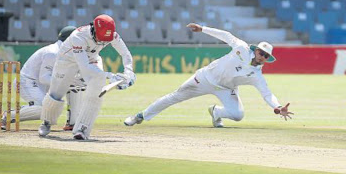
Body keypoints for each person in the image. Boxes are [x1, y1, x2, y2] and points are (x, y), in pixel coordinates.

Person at [124, 23, 293, 128]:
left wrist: (277, 108)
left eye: (265, 55)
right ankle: (139, 116)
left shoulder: (257, 75)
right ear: (255, 50)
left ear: (267, 59)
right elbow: (225, 35)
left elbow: (266, 93)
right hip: (205, 78)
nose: (262, 56)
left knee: (238, 115)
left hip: (226, 89)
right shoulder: (242, 48)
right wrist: (203, 29)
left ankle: (216, 113)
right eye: (260, 52)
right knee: (174, 97)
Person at [38, 14, 136, 140]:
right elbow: (84, 67)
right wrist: (109, 76)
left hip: (92, 59)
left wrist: (129, 72)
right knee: (56, 92)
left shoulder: (112, 35)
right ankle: (46, 121)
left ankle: (82, 128)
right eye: (100, 39)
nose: (103, 42)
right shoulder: (78, 36)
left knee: (96, 91)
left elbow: (125, 54)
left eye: (106, 40)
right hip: (67, 61)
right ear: (94, 29)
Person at [0, 25, 79, 130]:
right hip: (26, 82)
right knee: (45, 109)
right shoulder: (53, 52)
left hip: (40, 85)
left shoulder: (65, 52)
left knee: (70, 92)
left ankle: (71, 123)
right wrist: (64, 83)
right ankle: (8, 116)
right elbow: (44, 78)